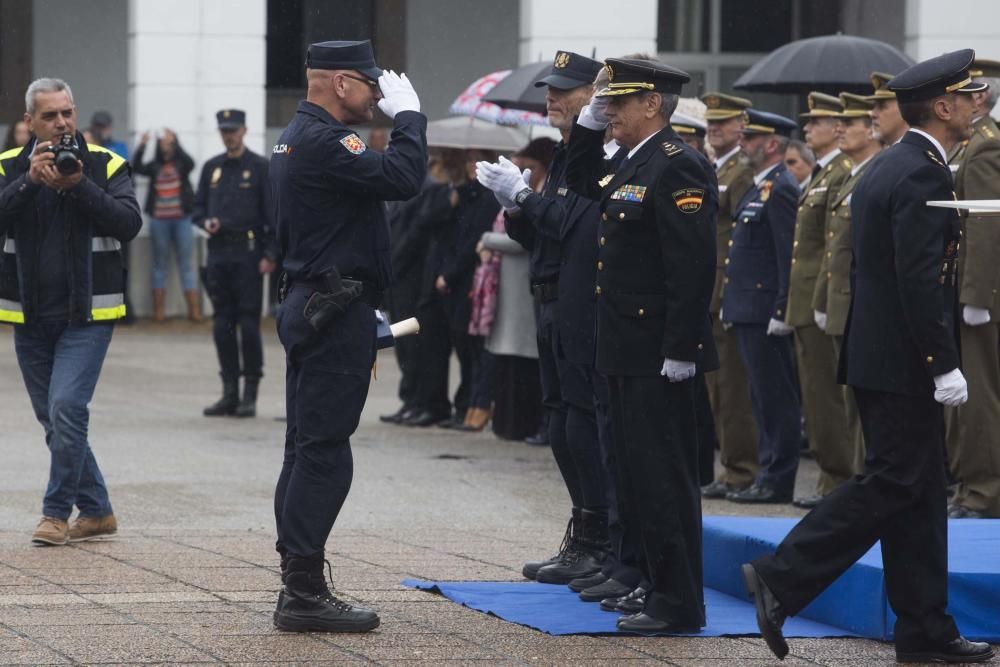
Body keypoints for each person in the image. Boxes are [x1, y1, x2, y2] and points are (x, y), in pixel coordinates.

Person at [742, 49, 994, 665]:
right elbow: (915, 277)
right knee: (894, 481)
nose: (978, 103)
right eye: (968, 96)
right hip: (906, 360)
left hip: (878, 355)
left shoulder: (889, 165)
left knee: (920, 493)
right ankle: (782, 574)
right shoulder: (924, 173)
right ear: (943, 106)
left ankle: (925, 629)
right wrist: (942, 361)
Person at [268, 39, 426, 633]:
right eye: (369, 84)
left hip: (317, 301)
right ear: (339, 83)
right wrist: (410, 119)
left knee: (305, 446)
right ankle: (303, 591)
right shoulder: (326, 140)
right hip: (333, 310)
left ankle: (298, 581)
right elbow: (404, 177)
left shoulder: (296, 135)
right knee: (323, 452)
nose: (376, 95)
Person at [565, 57, 718, 633]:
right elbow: (581, 184)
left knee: (663, 479)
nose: (611, 114)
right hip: (625, 345)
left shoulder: (678, 166)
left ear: (652, 104)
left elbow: (691, 266)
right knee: (631, 473)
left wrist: (681, 347)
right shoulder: (635, 160)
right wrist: (586, 126)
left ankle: (679, 602)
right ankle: (654, 585)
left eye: (619, 104)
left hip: (658, 351)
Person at [480, 50, 619, 589]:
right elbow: (541, 233)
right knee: (561, 422)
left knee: (583, 423)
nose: (552, 99)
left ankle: (602, 541)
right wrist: (514, 206)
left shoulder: (598, 156)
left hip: (583, 304)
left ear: (594, 97)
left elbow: (567, 222)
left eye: (565, 90)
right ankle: (583, 535)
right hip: (551, 297)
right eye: (550, 89)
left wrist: (524, 198)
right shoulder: (563, 157)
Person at [0, 78, 141, 545]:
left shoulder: (105, 163)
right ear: (29, 122)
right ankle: (98, 510)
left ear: (74, 113)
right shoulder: (8, 168)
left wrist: (79, 185)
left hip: (89, 315)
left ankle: (56, 513)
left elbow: (128, 223)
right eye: (49, 116)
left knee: (66, 408)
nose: (60, 124)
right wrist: (27, 183)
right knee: (55, 419)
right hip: (30, 317)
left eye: (66, 113)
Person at [721, 109, 801, 505]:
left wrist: (783, 309)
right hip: (747, 307)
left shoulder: (781, 187)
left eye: (749, 137)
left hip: (764, 309)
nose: (741, 142)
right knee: (760, 395)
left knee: (775, 398)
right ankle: (767, 473)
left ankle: (777, 478)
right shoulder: (759, 186)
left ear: (771, 144)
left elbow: (788, 254)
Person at [786, 93, 854, 509]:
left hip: (822, 295)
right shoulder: (824, 173)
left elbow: (833, 246)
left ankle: (841, 479)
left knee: (828, 395)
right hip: (808, 295)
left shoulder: (842, 172)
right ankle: (832, 477)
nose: (809, 129)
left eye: (818, 122)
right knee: (815, 396)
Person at [813, 92, 882, 478]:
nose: (840, 129)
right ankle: (854, 478)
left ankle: (862, 479)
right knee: (844, 401)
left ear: (871, 131)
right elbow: (831, 247)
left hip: (860, 303)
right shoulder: (852, 174)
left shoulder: (873, 172)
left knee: (860, 404)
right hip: (840, 302)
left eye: (850, 123)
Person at [192, 109, 277, 418]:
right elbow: (197, 208)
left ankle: (250, 393)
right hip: (218, 253)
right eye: (224, 130)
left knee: (249, 325)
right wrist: (206, 222)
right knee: (222, 326)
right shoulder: (212, 168)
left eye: (234, 130)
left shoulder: (259, 168)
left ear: (244, 130)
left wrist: (270, 254)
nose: (229, 135)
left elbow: (272, 215)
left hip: (249, 254)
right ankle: (229, 392)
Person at [946, 58, 1000, 519]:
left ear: (979, 98)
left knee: (980, 396)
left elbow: (985, 221)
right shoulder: (972, 146)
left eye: (962, 94)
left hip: (981, 295)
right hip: (967, 288)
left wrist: (976, 295)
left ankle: (983, 492)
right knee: (967, 396)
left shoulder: (985, 147)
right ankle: (968, 485)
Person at [699, 92, 759, 500]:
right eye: (712, 123)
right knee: (713, 387)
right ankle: (725, 465)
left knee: (733, 386)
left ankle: (740, 468)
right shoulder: (710, 167)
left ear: (742, 126)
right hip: (707, 287)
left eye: (724, 123)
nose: (714, 129)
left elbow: (742, 237)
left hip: (727, 288)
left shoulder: (743, 172)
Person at [133, 128, 199, 322]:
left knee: (186, 265)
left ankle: (193, 312)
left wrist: (176, 139)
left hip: (182, 219)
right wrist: (143, 144)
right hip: (159, 220)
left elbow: (191, 162)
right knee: (159, 265)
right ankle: (158, 313)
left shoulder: (182, 164)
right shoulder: (154, 166)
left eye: (170, 144)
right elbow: (136, 167)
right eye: (163, 144)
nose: (167, 148)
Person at [867, 72, 909, 146]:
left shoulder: (915, 154)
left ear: (903, 109)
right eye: (873, 107)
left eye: (882, 107)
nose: (873, 114)